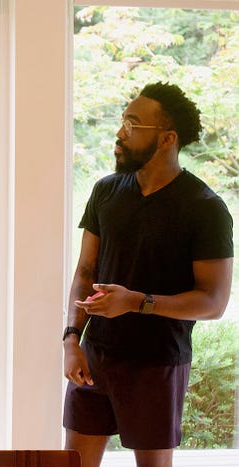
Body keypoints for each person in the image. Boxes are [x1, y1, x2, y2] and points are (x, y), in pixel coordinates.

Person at [62, 82, 233, 467]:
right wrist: (72, 339)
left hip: (157, 364)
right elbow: (86, 270)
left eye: (133, 124)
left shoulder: (205, 208)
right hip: (94, 358)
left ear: (167, 138)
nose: (120, 132)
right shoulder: (105, 191)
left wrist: (136, 302)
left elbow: (213, 301)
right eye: (123, 120)